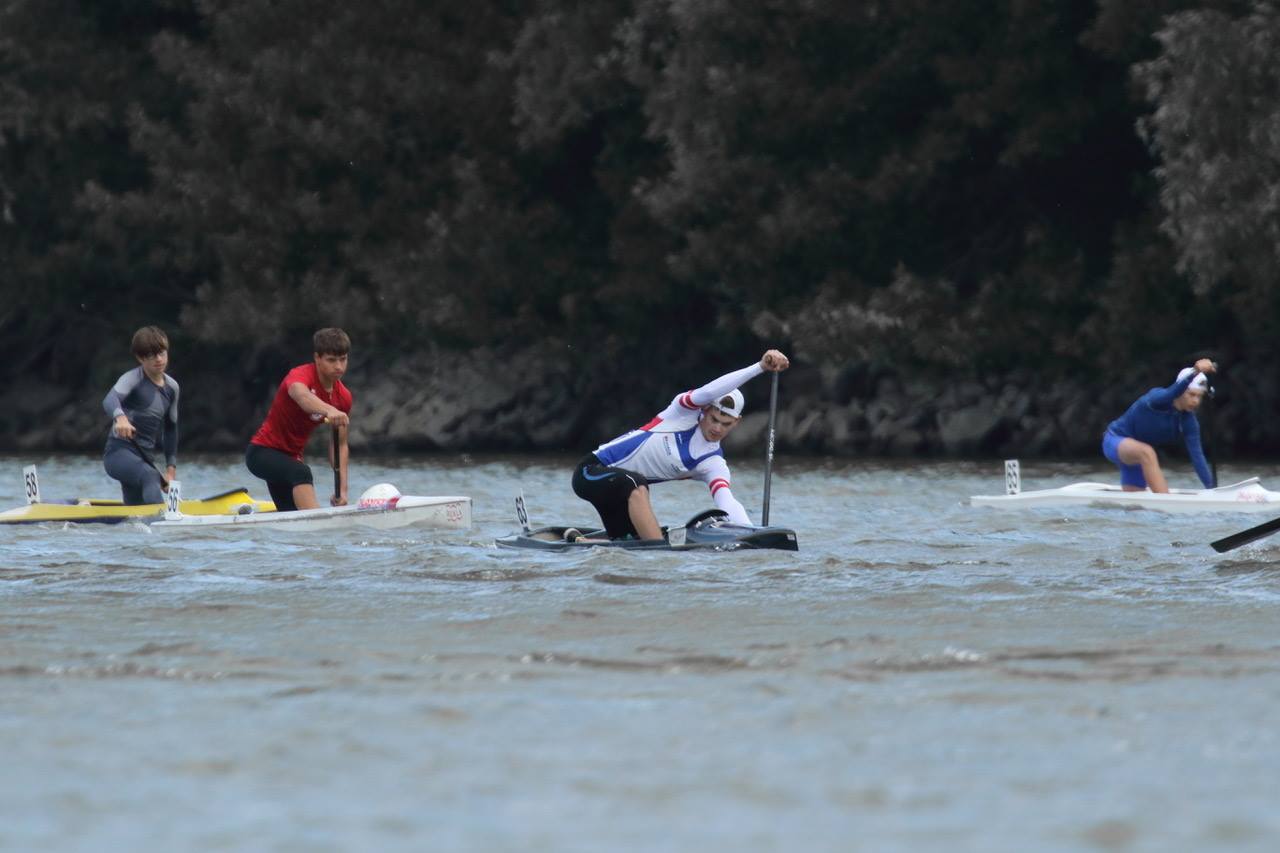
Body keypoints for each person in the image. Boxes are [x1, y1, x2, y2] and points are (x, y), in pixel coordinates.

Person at [571, 350, 791, 541]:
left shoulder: (713, 463)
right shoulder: (681, 413)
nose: (717, 428)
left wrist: (751, 534)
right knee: (635, 483)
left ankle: (583, 541)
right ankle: (656, 549)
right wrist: (760, 367)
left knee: (627, 543)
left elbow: (726, 501)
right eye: (714, 419)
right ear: (704, 410)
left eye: (725, 424)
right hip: (590, 473)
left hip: (618, 496)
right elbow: (708, 392)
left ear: (736, 423)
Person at [246, 328, 352, 512]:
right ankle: (319, 529)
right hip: (261, 454)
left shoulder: (343, 397)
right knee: (301, 472)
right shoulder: (300, 376)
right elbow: (301, 396)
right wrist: (329, 410)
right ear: (317, 358)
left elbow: (339, 446)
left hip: (290, 459)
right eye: (331, 360)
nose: (338, 367)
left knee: (289, 515)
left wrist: (342, 490)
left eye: (343, 359)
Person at [1101, 358, 1218, 493]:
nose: (1195, 401)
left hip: (1136, 459)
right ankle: (1166, 504)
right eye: (1191, 394)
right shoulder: (1157, 399)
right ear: (1180, 391)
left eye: (1199, 396)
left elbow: (1197, 458)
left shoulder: (1189, 422)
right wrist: (1195, 371)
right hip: (1114, 440)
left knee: (1135, 507)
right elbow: (1172, 392)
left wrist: (1213, 491)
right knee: (1148, 452)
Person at [102, 326, 180, 505]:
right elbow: (110, 399)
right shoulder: (133, 379)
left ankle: (137, 526)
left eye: (161, 353)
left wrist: (170, 471)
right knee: (150, 476)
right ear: (140, 358)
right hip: (118, 454)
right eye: (151, 355)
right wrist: (120, 418)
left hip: (145, 458)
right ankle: (163, 524)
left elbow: (171, 429)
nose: (158, 359)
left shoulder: (172, 388)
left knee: (135, 513)